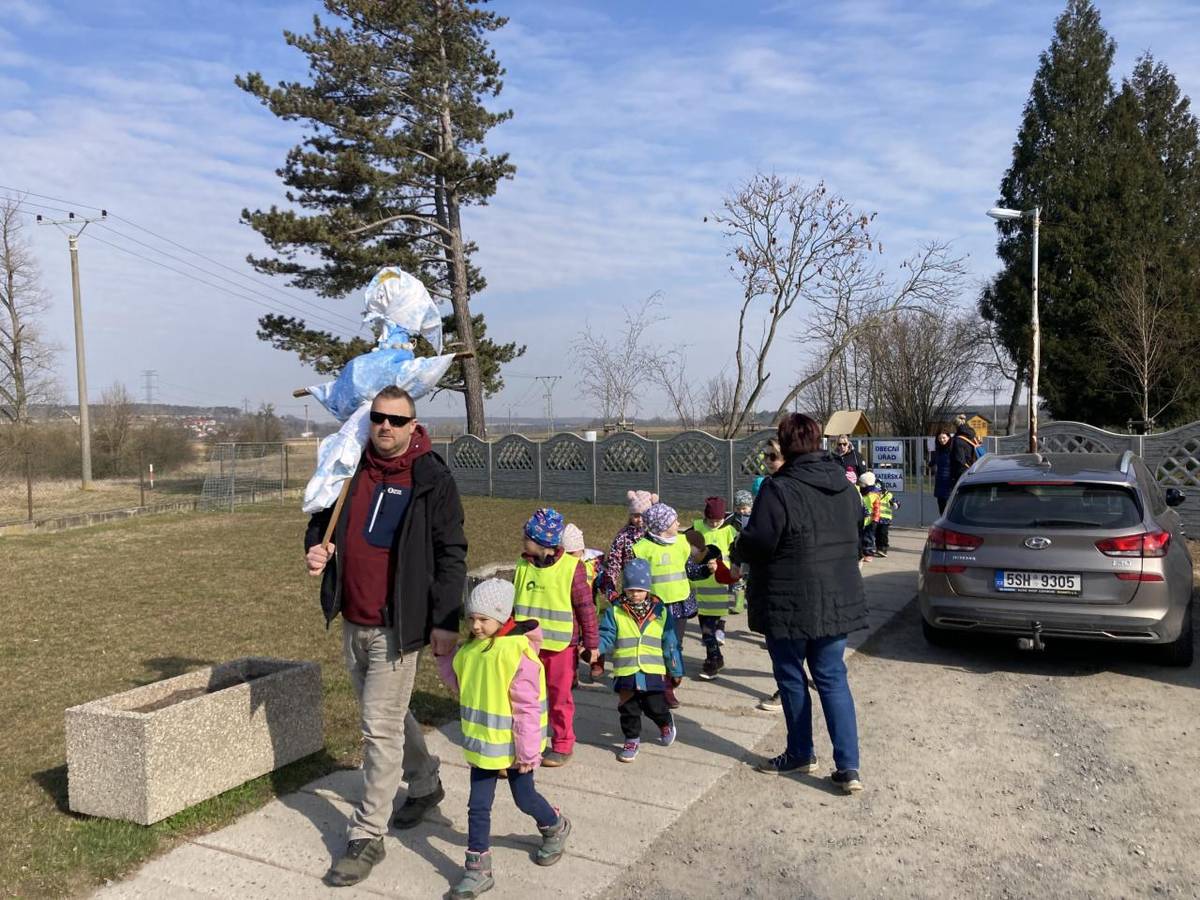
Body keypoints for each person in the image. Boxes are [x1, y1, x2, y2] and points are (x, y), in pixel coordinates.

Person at [304, 385, 466, 888]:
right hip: (353, 619)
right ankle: (425, 783)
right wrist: (315, 549)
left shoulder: (430, 478)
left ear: (413, 425)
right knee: (390, 718)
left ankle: (367, 833)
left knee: (378, 729)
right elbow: (320, 522)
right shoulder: (351, 467)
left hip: (398, 626)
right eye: (378, 417)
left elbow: (451, 551)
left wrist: (446, 621)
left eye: (397, 420)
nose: (386, 427)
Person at [736, 413, 867, 794]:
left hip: (789, 599)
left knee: (792, 676)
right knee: (832, 677)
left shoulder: (778, 489)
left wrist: (737, 547)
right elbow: (857, 530)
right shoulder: (845, 487)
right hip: (836, 597)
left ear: (786, 444)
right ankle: (849, 767)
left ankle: (800, 752)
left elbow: (759, 542)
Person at [437, 579, 570, 898]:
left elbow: (527, 708)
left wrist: (528, 753)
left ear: (502, 616)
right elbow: (460, 684)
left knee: (525, 798)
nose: (475, 626)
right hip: (483, 748)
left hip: (516, 750)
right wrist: (444, 657)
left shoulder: (516, 653)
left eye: (483, 619)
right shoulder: (470, 650)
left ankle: (555, 825)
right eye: (471, 618)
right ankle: (477, 869)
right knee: (478, 806)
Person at [512, 508, 599, 767]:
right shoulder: (522, 565)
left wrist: (591, 643)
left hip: (560, 647)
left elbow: (586, 608)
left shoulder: (572, 568)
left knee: (559, 698)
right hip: (526, 646)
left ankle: (562, 743)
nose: (523, 540)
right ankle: (526, 743)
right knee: (524, 698)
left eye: (527, 537)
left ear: (543, 542)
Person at [597, 559, 684, 763]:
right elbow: (606, 635)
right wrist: (595, 648)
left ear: (647, 589)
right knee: (628, 708)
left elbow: (671, 643)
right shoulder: (615, 611)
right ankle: (631, 739)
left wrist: (675, 669)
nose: (635, 594)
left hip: (652, 669)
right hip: (626, 670)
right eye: (630, 590)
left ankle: (665, 722)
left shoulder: (661, 613)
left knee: (654, 705)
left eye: (640, 590)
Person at [632, 502, 713, 707]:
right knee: (655, 646)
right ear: (661, 526)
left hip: (679, 604)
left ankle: (671, 678)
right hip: (653, 607)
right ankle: (661, 686)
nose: (678, 523)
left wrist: (706, 570)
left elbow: (690, 570)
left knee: (675, 644)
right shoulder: (641, 548)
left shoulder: (682, 543)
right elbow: (635, 580)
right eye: (674, 521)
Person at [686, 496, 738, 679]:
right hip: (699, 587)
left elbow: (739, 553)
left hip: (719, 587)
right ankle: (716, 658)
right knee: (705, 629)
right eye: (711, 520)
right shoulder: (696, 528)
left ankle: (713, 661)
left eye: (718, 520)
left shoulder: (730, 531)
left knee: (709, 630)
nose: (715, 524)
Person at [728, 489, 755, 614]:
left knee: (752, 580)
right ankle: (738, 604)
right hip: (737, 554)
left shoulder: (756, 517)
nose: (741, 511)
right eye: (738, 508)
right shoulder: (732, 519)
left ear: (751, 506)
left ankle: (752, 602)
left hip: (752, 555)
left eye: (744, 508)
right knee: (738, 579)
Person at [949, 416, 981, 485]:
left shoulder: (957, 440)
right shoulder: (973, 436)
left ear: (956, 426)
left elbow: (959, 459)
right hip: (975, 468)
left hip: (963, 473)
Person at [858, 471, 881, 562]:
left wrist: (875, 519)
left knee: (868, 538)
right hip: (859, 519)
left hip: (870, 520)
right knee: (859, 536)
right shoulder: (858, 492)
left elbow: (877, 508)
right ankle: (860, 553)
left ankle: (868, 553)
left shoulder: (875, 494)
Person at [931, 431, 954, 514]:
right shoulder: (938, 450)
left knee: (950, 508)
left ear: (948, 437)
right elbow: (933, 461)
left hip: (950, 481)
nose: (942, 440)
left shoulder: (953, 450)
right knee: (941, 507)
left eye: (944, 437)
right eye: (940, 438)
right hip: (940, 481)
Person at [876, 481, 898, 558]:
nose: (878, 492)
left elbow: (896, 502)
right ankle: (878, 548)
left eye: (880, 490)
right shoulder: (873, 494)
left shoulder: (888, 495)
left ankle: (883, 549)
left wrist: (896, 504)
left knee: (883, 533)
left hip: (885, 519)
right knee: (877, 534)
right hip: (876, 518)